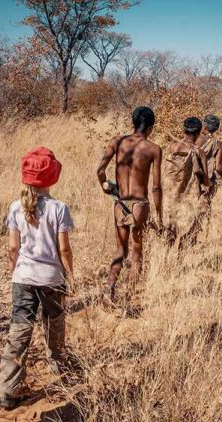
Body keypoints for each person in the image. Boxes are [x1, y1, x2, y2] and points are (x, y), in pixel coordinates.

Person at [0, 146, 74, 410]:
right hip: (52, 277)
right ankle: (58, 366)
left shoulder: (15, 207)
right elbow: (63, 248)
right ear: (53, 176)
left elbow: (12, 247)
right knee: (54, 322)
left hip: (23, 276)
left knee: (20, 329)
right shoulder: (59, 208)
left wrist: (14, 271)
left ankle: (8, 388)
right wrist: (70, 275)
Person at [96, 106, 162, 299]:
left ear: (132, 123)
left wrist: (105, 187)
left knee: (120, 250)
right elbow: (156, 187)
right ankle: (128, 296)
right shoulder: (154, 149)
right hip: (140, 204)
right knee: (136, 253)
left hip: (121, 203)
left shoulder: (117, 141)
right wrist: (159, 215)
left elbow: (100, 170)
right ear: (151, 128)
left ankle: (110, 287)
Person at [164, 117, 212, 247]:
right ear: (198, 133)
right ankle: (181, 256)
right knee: (197, 218)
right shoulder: (199, 152)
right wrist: (212, 185)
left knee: (170, 229)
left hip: (170, 196)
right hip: (188, 199)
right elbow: (205, 179)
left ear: (184, 130)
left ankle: (166, 258)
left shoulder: (171, 148)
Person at [196, 114, 222, 188]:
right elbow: (218, 168)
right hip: (204, 179)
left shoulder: (193, 137)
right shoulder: (218, 144)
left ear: (205, 126)